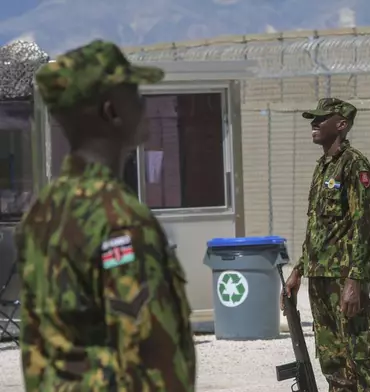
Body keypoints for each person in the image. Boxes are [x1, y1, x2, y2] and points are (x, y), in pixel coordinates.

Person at [15, 40, 196, 391]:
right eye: (135, 95)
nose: (144, 104)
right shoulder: (120, 219)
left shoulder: (44, 211)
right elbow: (151, 361)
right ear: (113, 111)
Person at [281, 98, 370, 392]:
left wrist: (354, 279)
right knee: (332, 360)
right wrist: (299, 270)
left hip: (343, 278)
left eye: (321, 119)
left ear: (342, 125)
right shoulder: (324, 167)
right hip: (320, 277)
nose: (314, 124)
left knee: (358, 359)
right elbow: (317, 228)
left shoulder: (355, 166)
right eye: (313, 119)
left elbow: (362, 226)